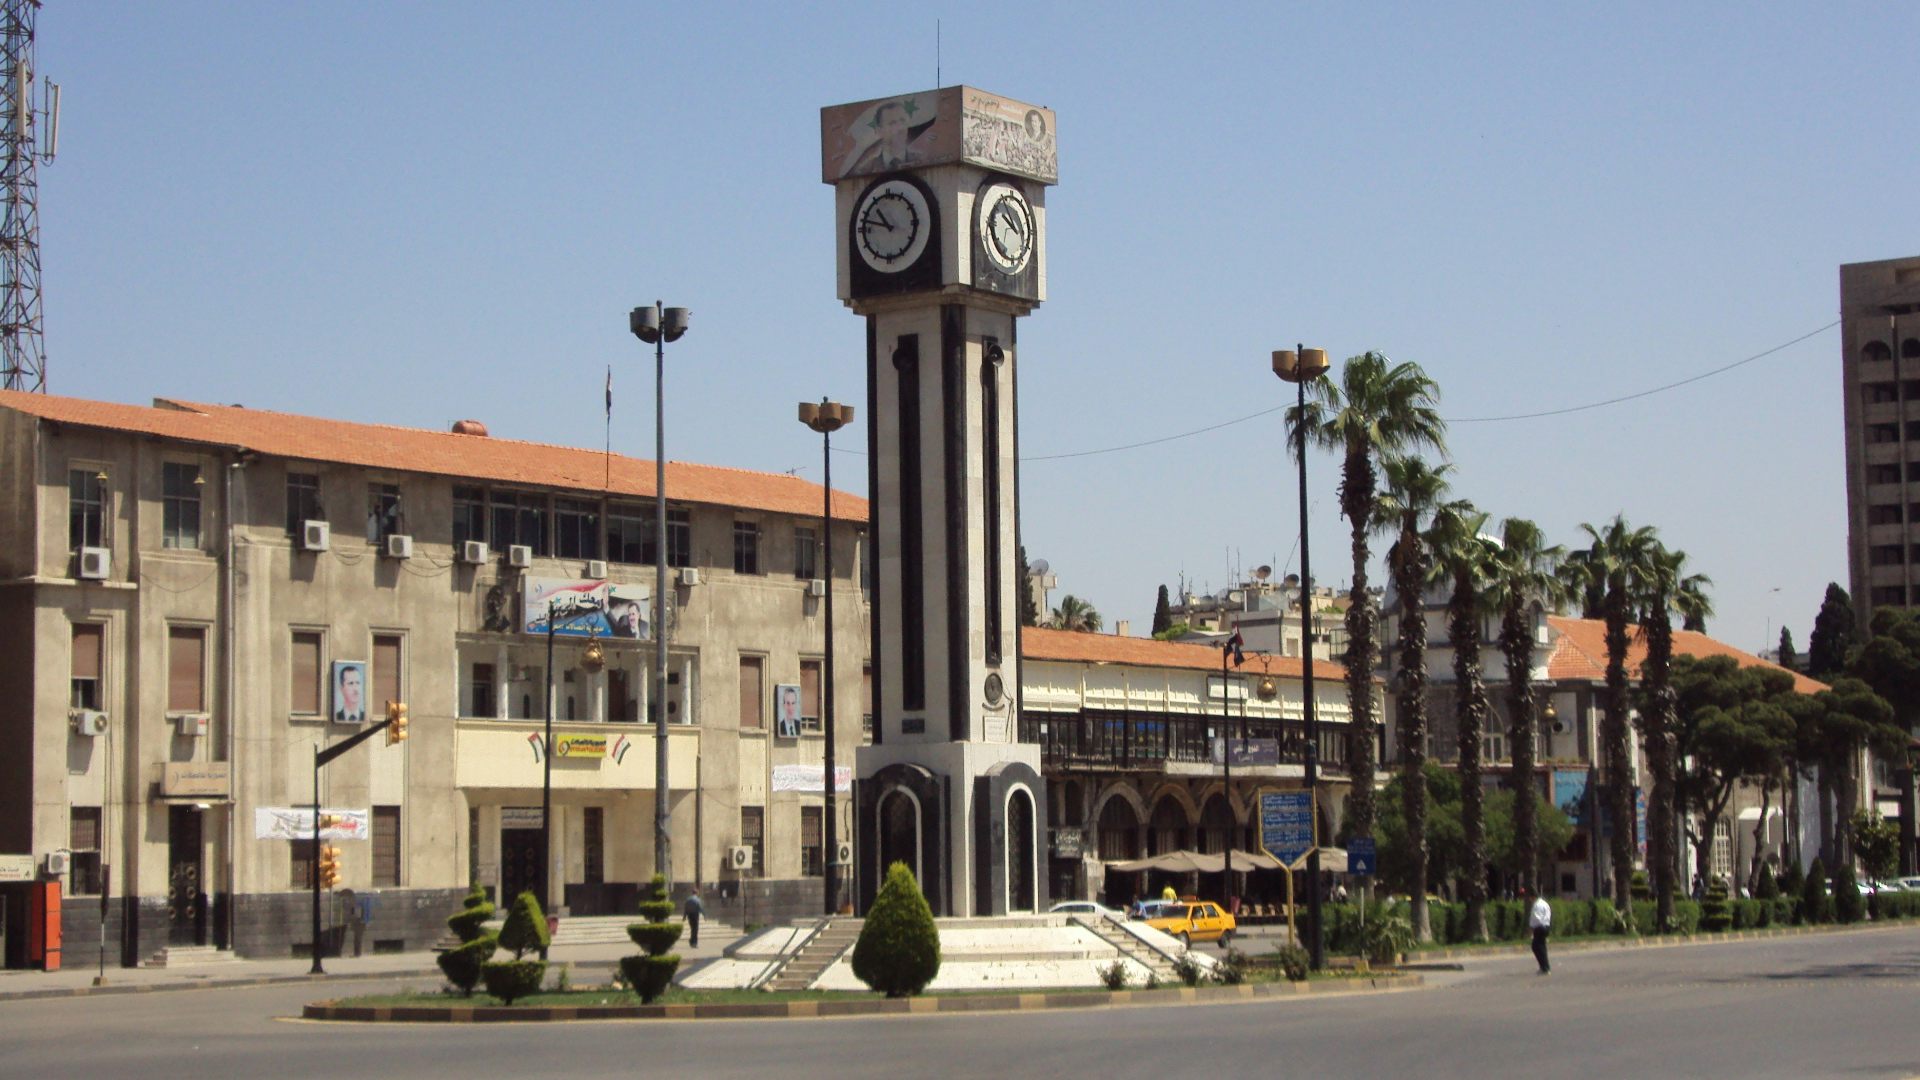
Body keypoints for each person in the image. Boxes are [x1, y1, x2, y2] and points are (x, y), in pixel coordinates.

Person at [1527, 889, 1552, 974]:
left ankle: (1544, 967)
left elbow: (1536, 919)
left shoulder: (1537, 905)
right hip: (1546, 926)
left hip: (1539, 927)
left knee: (1536, 947)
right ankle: (1545, 966)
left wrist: (1531, 929)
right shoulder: (1545, 903)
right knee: (1542, 947)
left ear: (1533, 897)